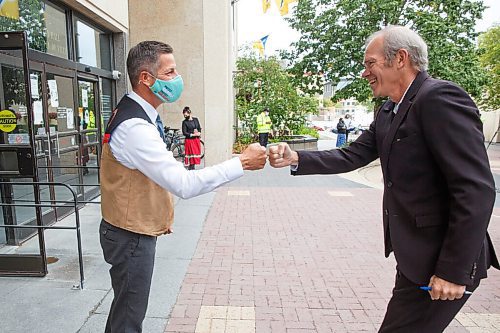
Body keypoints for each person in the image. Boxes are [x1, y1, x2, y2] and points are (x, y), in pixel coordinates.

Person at [269, 25, 499, 332]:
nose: (364, 73)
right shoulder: (389, 108)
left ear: (400, 59)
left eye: (370, 63)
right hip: (416, 258)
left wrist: (454, 271)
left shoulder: (439, 98)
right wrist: (295, 157)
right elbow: (352, 155)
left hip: (445, 262)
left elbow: (475, 189)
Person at [99, 41, 267, 333]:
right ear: (146, 78)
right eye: (170, 71)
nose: (177, 78)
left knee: (125, 311)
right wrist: (242, 163)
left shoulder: (135, 114)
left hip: (128, 232)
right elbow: (185, 184)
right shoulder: (135, 128)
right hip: (130, 237)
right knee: (129, 318)